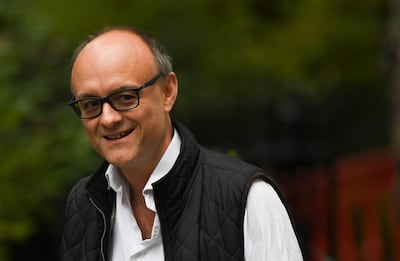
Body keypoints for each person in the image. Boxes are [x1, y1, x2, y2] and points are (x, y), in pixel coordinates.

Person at [59, 26, 303, 261]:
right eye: (91, 104)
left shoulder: (248, 198)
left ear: (168, 91)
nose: (108, 118)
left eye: (125, 97)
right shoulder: (84, 205)